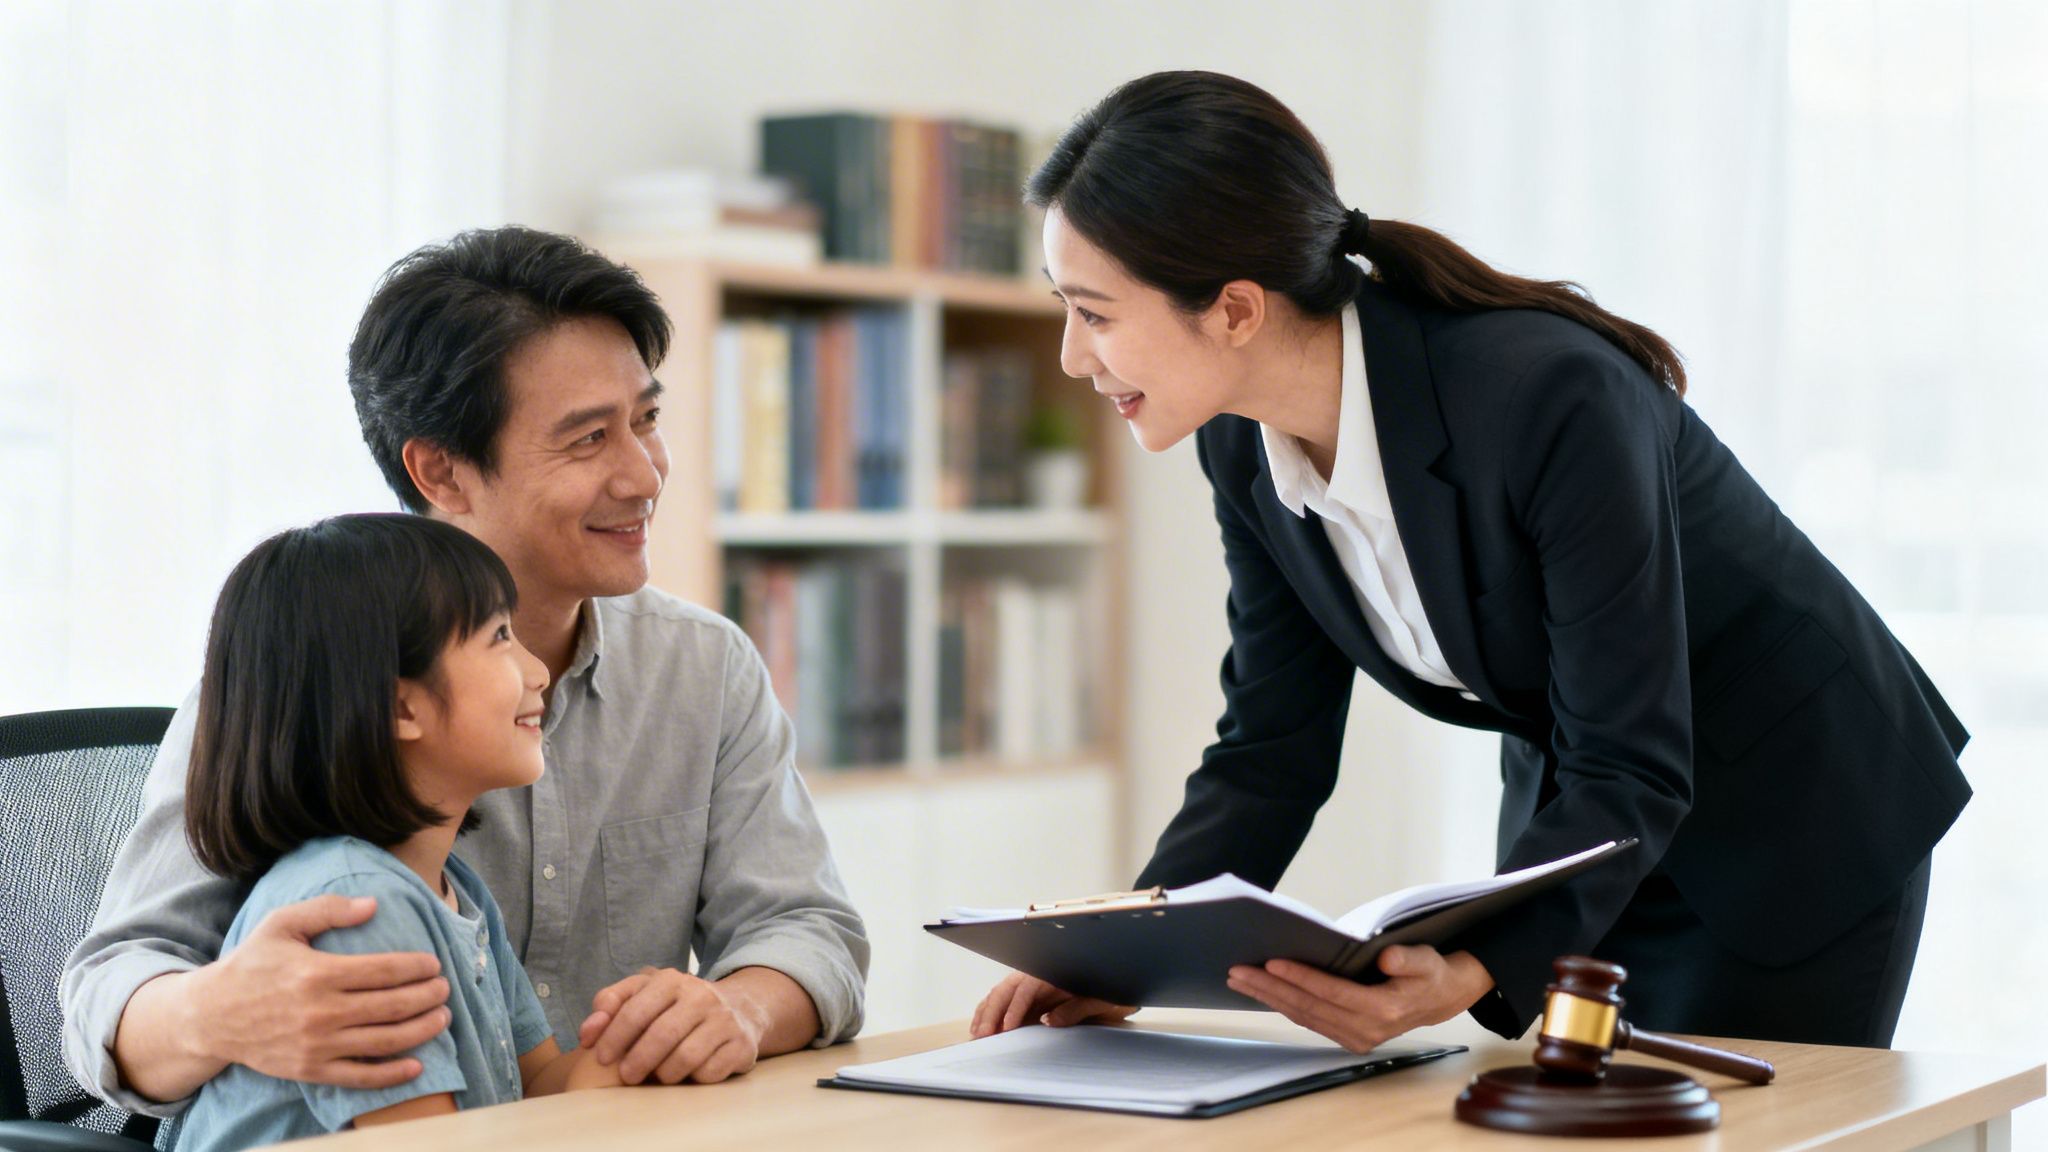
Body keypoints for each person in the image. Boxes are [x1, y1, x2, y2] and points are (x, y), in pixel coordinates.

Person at [973, 71, 1969, 1051]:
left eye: (1094, 314)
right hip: (1587, 832)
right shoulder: (1239, 442)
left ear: (1234, 309)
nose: (1070, 355)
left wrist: (1475, 967)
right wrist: (1119, 953)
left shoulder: (1547, 397)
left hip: (1792, 817)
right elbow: (1269, 747)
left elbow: (1630, 752)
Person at [64, 227, 868, 1122]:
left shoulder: (704, 666)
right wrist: (220, 1014)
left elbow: (811, 932)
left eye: (645, 419)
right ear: (440, 469)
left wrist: (737, 1009)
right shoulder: (306, 678)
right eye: (589, 438)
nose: (645, 475)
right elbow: (110, 987)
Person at [178, 514, 623, 1149]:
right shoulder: (358, 905)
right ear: (399, 707)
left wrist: (642, 1038)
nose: (538, 671)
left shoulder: (452, 890)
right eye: (501, 636)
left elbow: (542, 1084)